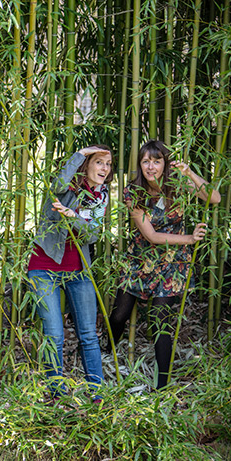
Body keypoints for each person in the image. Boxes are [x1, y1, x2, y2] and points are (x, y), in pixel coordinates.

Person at [107, 140, 220, 390]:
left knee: (160, 321)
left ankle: (162, 385)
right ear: (139, 164)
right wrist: (189, 239)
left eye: (157, 161)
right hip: (138, 261)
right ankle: (108, 354)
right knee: (119, 315)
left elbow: (214, 197)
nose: (151, 166)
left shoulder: (176, 185)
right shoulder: (133, 192)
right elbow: (151, 236)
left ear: (164, 164)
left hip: (171, 265)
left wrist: (188, 172)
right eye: (146, 161)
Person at [27, 145, 113, 401]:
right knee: (54, 333)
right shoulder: (66, 188)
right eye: (99, 162)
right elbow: (55, 185)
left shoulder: (101, 195)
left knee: (88, 333)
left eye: (108, 165)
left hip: (78, 270)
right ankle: (57, 393)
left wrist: (73, 216)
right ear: (86, 166)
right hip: (44, 266)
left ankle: (96, 393)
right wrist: (80, 153)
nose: (104, 169)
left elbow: (92, 234)